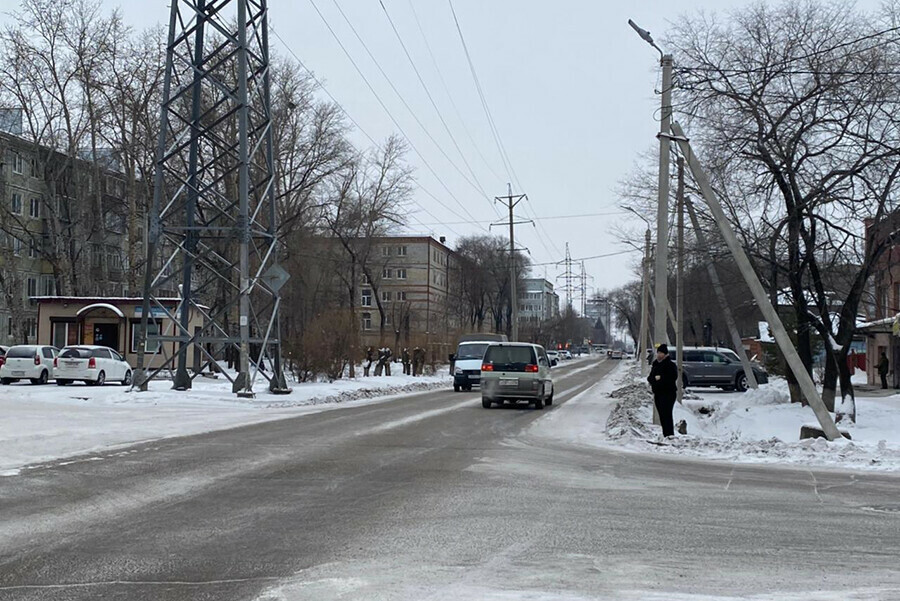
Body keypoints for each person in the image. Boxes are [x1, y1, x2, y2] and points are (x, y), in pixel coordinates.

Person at [647, 343, 678, 437]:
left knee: (667, 414)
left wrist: (659, 379)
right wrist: (656, 380)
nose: (659, 355)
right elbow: (650, 378)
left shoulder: (670, 365)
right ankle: (665, 434)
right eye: (658, 353)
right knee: (662, 415)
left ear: (665, 354)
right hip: (658, 393)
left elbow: (672, 378)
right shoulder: (656, 364)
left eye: (661, 353)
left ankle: (669, 435)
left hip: (668, 393)